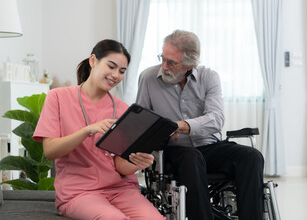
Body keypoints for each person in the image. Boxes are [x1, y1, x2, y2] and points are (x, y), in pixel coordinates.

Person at [136, 30, 264, 220]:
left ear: (189, 65)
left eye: (171, 62)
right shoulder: (148, 78)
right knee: (192, 157)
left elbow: (216, 118)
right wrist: (161, 131)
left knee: (251, 156)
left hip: (210, 147)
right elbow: (142, 123)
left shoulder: (209, 77)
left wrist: (180, 125)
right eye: (162, 58)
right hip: (173, 153)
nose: (164, 66)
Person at [33, 39, 165, 220]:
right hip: (79, 192)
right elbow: (50, 151)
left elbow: (119, 165)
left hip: (121, 190)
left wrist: (137, 163)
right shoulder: (58, 97)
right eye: (111, 66)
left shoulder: (124, 110)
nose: (116, 75)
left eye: (122, 71)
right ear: (93, 61)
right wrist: (87, 130)